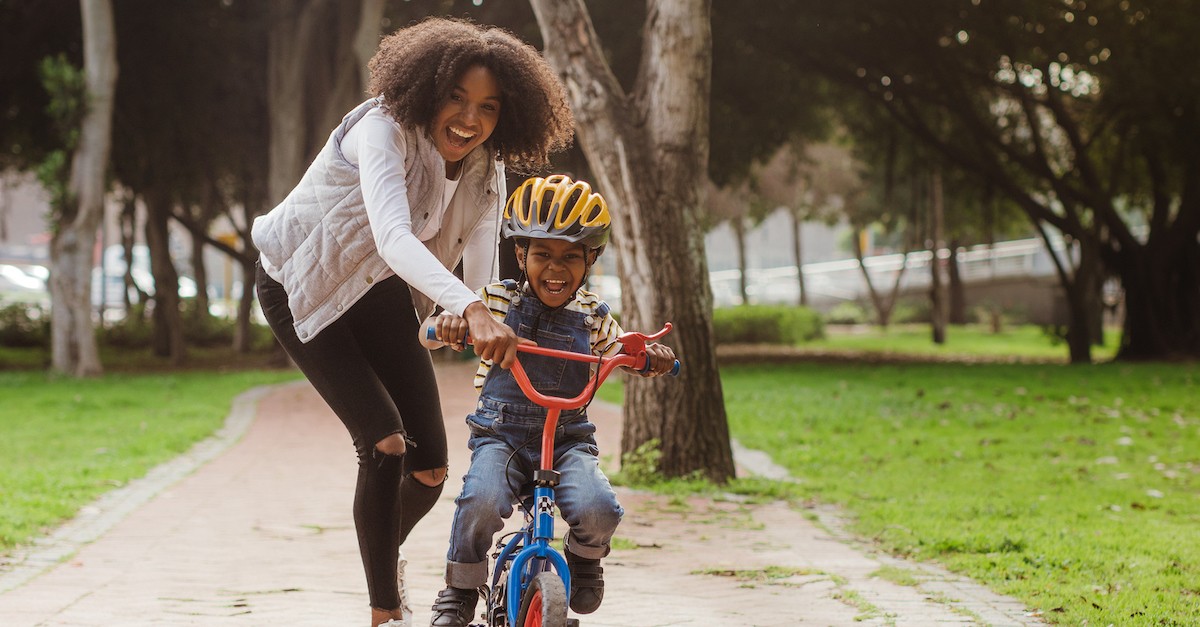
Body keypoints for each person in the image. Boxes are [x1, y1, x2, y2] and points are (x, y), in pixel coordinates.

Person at [250, 17, 574, 627]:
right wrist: (469, 309)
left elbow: (480, 271)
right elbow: (394, 236)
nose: (469, 119)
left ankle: (380, 552)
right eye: (456, 97)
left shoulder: (486, 171)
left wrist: (475, 312)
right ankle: (384, 610)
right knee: (384, 442)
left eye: (488, 107)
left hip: (375, 292)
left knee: (428, 470)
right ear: (427, 88)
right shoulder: (380, 131)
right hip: (299, 285)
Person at [424, 175, 677, 626]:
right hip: (502, 436)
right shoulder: (497, 301)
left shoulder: (594, 316)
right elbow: (432, 332)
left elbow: (623, 348)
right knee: (479, 501)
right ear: (521, 255)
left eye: (570, 256)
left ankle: (584, 558)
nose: (555, 268)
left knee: (599, 507)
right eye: (542, 254)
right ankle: (460, 587)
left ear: (590, 260)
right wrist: (446, 327)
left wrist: (647, 356)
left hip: (567, 440)